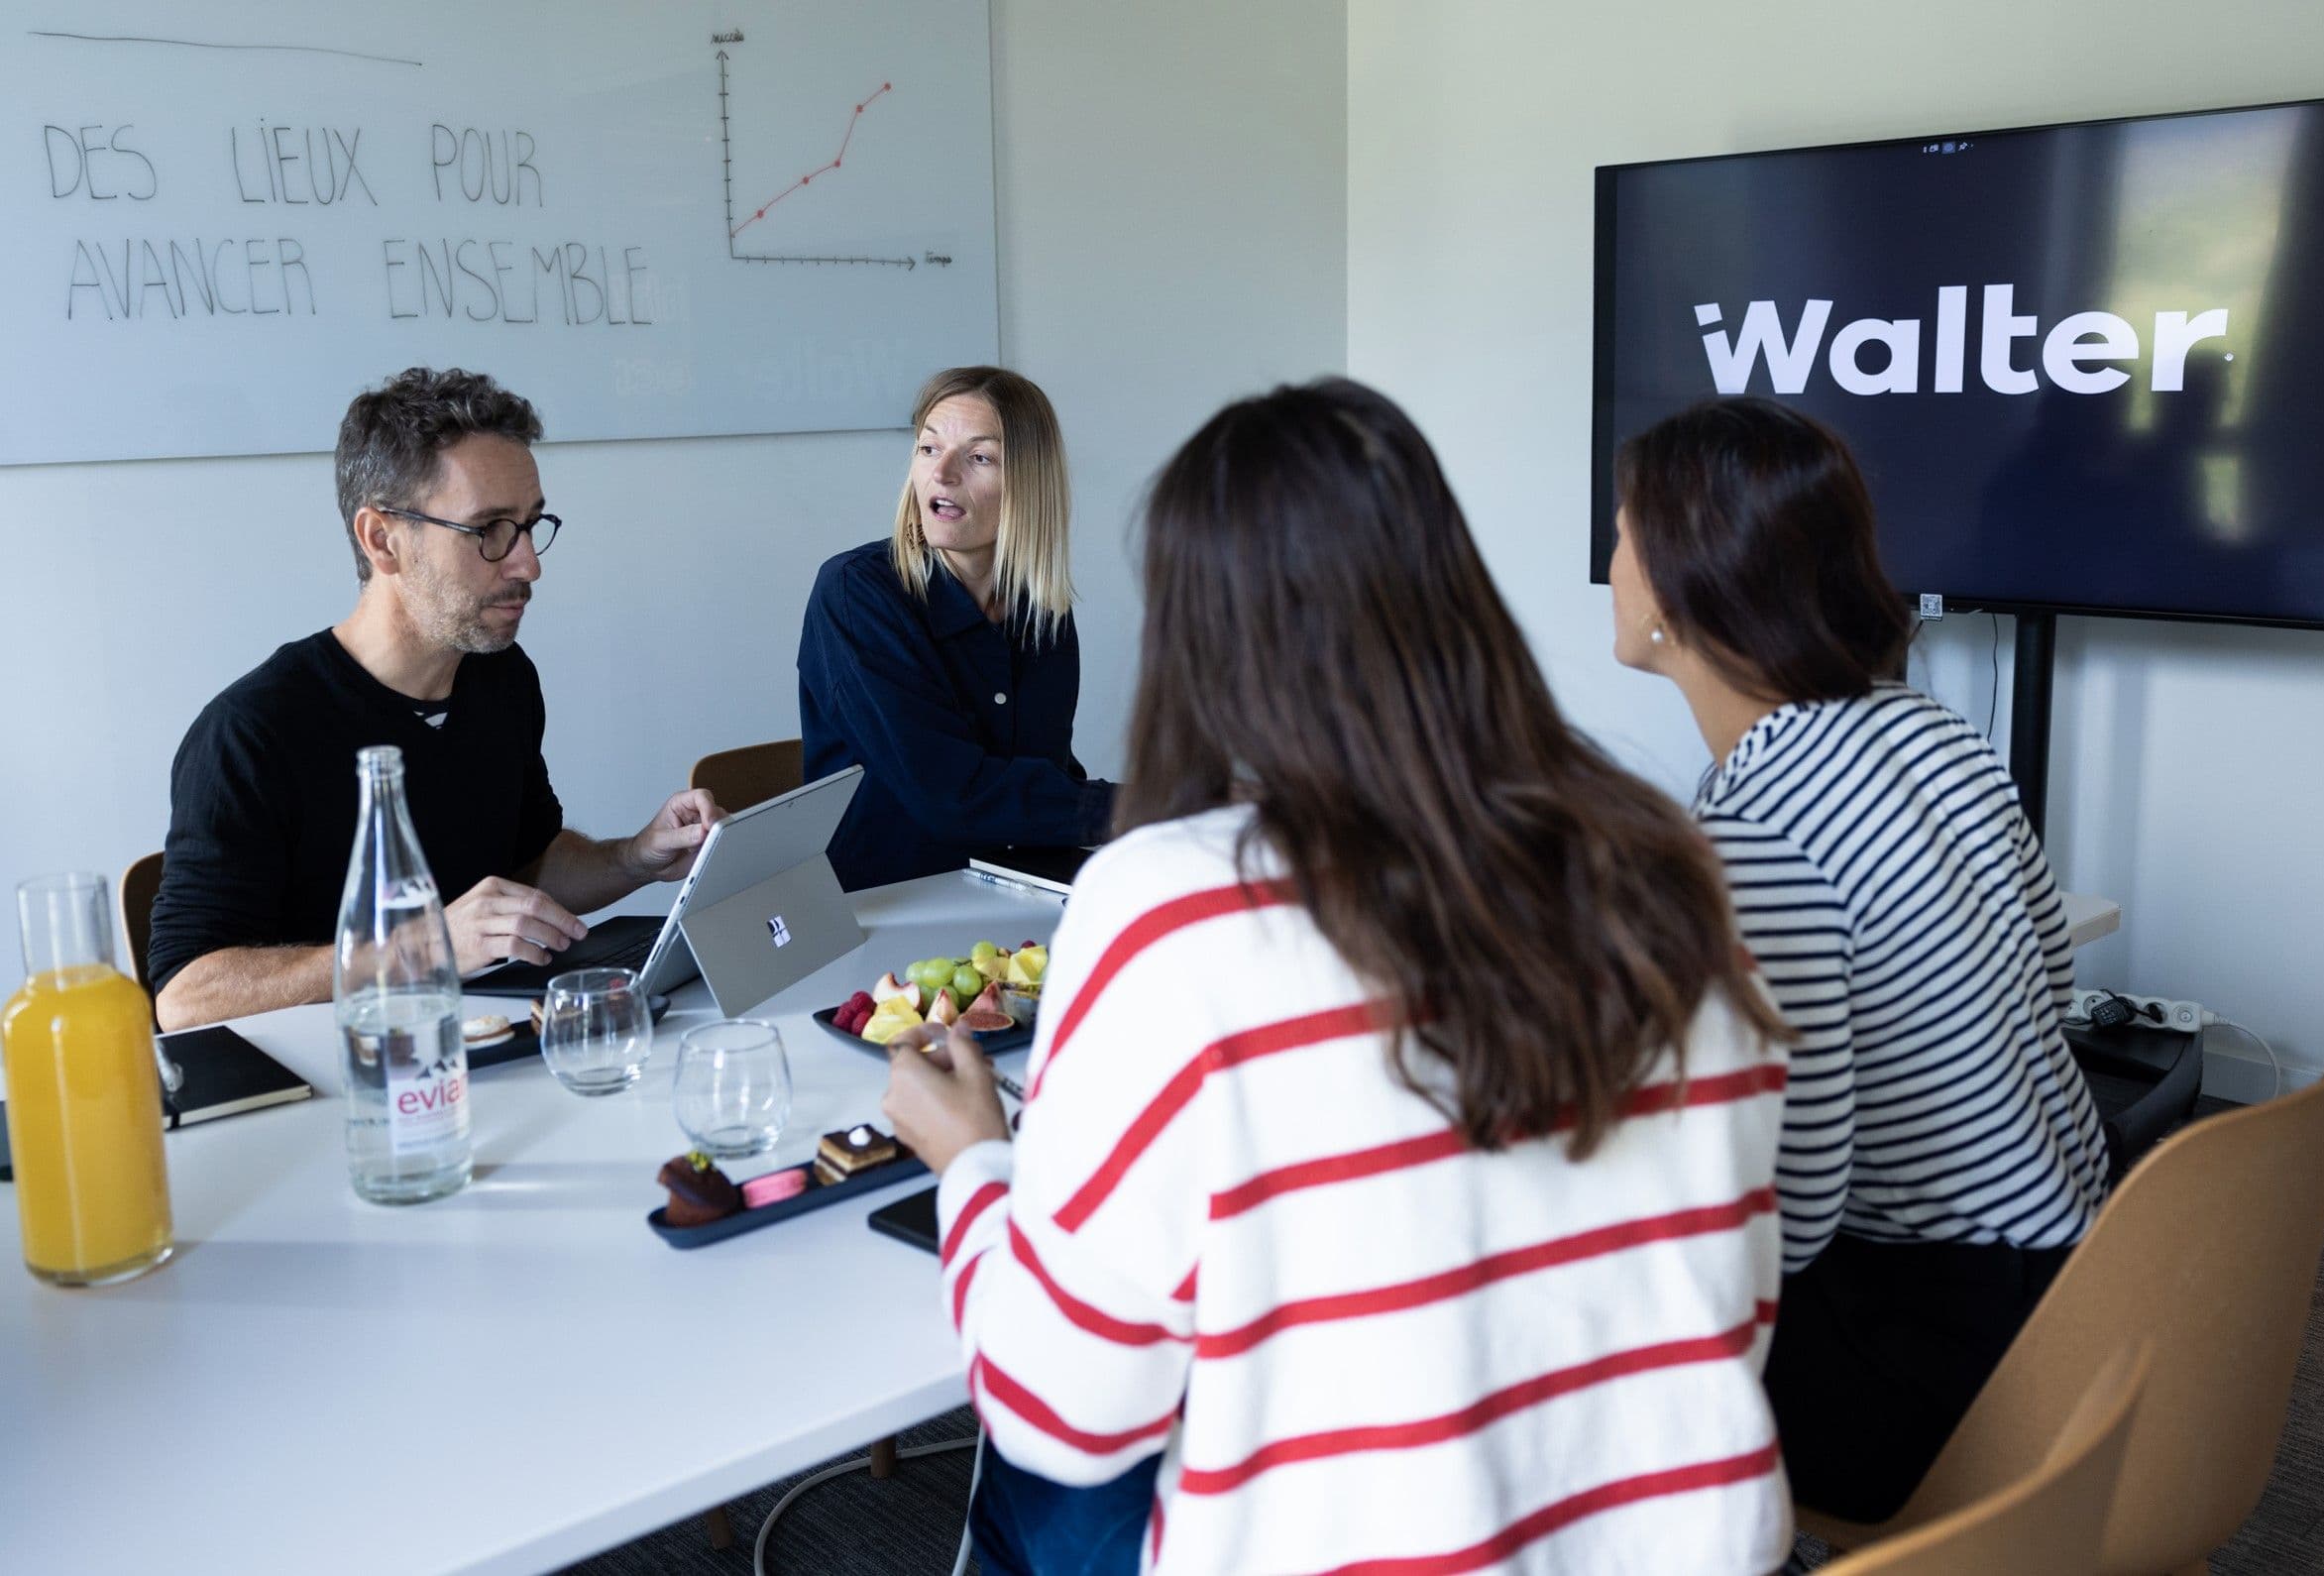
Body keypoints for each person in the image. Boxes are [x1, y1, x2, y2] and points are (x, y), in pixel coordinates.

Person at [883, 380, 1796, 1574]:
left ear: (1197, 636)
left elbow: (1063, 1410)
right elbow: (1737, 1300)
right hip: (1677, 1545)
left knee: (1021, 1488)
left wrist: (974, 1164)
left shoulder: (1172, 903)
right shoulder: (1665, 864)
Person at [1605, 395, 2113, 1522]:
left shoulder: (1756, 827)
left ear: (1684, 582)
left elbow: (1791, 1213)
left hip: (1934, 1360)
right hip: (2075, 1288)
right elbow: (2055, 981)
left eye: (1622, 535)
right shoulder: (1932, 731)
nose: (1610, 566)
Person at [148, 367, 722, 1032]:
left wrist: (634, 858)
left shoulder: (501, 677)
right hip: (343, 1074)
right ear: (382, 539)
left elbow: (526, 866)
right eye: (488, 530)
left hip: (482, 1046)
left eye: (530, 524)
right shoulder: (252, 732)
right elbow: (185, 995)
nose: (528, 563)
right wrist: (422, 948)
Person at [796, 366, 1114, 891]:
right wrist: (1143, 806)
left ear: (1029, 482)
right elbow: (950, 795)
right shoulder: (855, 592)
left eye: (979, 457)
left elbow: (1046, 773)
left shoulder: (1043, 610)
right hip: (887, 902)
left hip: (1017, 893)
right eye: (928, 448)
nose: (942, 473)